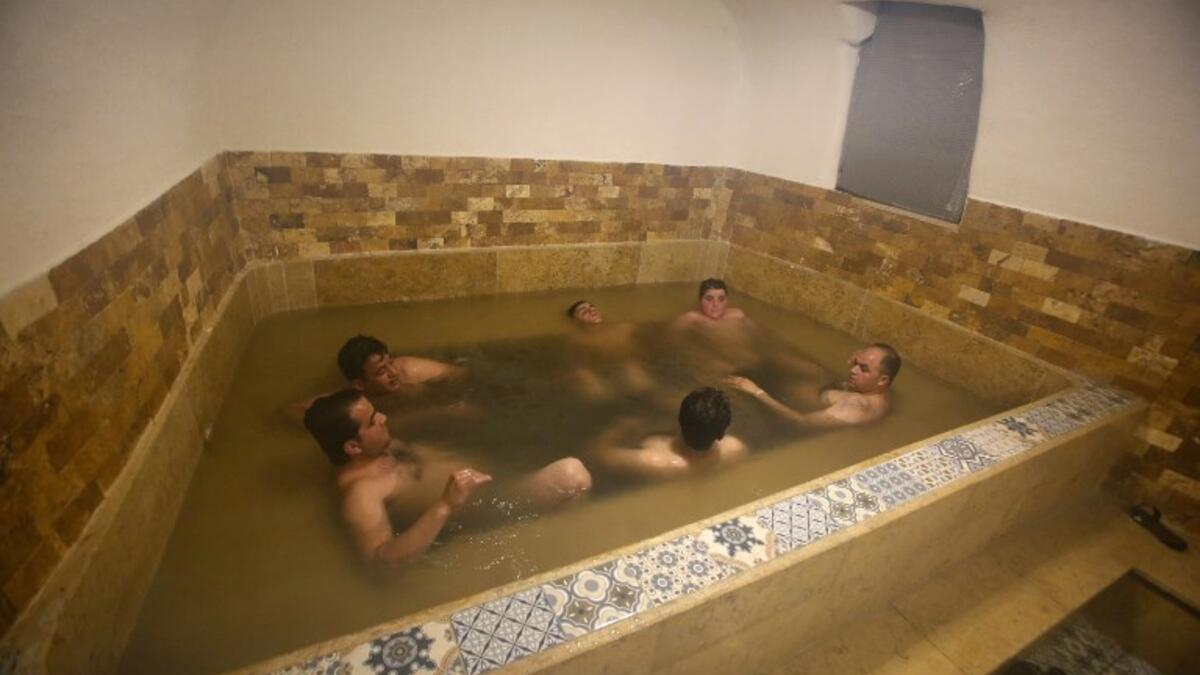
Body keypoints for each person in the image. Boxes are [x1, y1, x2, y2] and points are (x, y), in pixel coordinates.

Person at [303, 389, 592, 567]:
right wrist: (445, 505)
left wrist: (446, 412)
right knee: (572, 475)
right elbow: (381, 567)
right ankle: (567, 554)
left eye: (377, 413)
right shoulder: (361, 494)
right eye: (373, 421)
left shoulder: (376, 447)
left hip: (494, 478)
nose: (384, 419)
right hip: (493, 506)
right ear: (353, 447)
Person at [726, 343, 900, 429]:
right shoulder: (882, 392)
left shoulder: (855, 407)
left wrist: (756, 392)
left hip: (783, 396)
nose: (853, 370)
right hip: (817, 388)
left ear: (883, 380)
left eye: (863, 368)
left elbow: (803, 422)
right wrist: (864, 359)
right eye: (856, 363)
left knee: (755, 363)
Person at [589, 387, 747, 480]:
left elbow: (599, 454)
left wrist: (620, 430)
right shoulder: (735, 449)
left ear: (679, 420)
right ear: (721, 433)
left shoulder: (654, 462)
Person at [564, 300, 654, 401]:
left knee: (632, 371)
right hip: (604, 373)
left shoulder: (624, 328)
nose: (591, 310)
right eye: (583, 310)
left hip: (637, 368)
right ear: (576, 321)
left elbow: (651, 340)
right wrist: (587, 377)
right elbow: (577, 365)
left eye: (592, 307)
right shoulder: (579, 340)